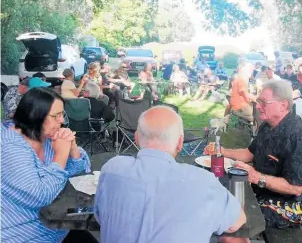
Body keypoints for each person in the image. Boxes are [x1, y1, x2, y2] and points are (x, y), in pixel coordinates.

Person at [95, 106, 246, 243]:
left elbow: (101, 216)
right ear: (180, 143)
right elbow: (236, 222)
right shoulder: (202, 181)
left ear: (136, 138)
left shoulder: (112, 169)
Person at [206, 80, 302, 242]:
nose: (257, 106)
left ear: (283, 105)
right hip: (262, 193)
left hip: (289, 206)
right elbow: (250, 154)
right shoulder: (267, 125)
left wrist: (256, 177)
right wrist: (222, 152)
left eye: (264, 102)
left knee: (230, 225)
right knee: (219, 201)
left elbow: (296, 188)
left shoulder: (297, 136)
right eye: (258, 101)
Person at [1, 87, 93, 243]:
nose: (62, 121)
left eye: (62, 114)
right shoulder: (9, 146)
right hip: (23, 234)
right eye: (56, 115)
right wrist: (61, 155)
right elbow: (40, 195)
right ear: (34, 116)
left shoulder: (48, 137)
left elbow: (80, 180)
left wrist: (73, 150)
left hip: (58, 227)